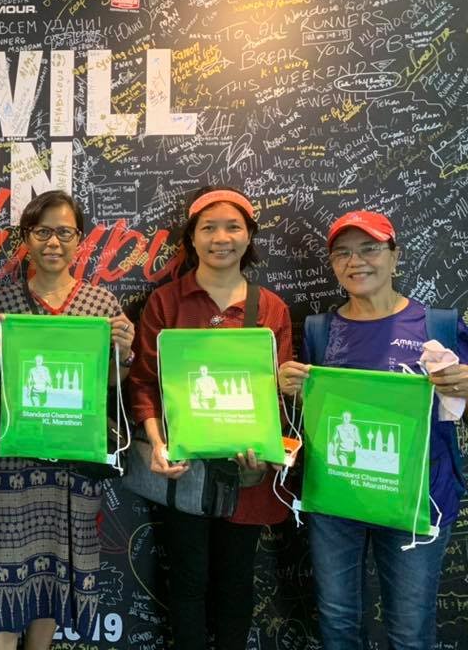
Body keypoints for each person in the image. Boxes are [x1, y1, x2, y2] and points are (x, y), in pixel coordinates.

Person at [278, 210, 468, 650]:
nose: (356, 261)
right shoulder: (320, 331)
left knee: (410, 631)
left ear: (394, 257)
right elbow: (314, 417)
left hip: (418, 500)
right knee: (338, 621)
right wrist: (290, 391)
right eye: (342, 253)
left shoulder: (437, 325)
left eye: (369, 249)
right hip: (338, 498)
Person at [127, 185, 293, 650]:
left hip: (246, 472)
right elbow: (144, 382)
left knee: (236, 582)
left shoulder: (270, 307)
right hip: (185, 469)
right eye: (209, 228)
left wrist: (267, 452)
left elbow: (276, 396)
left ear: (249, 235)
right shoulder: (167, 302)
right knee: (187, 578)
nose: (221, 238)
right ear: (192, 238)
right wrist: (157, 443)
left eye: (233, 227)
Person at [0, 190, 134, 649]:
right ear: (26, 238)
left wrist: (124, 351)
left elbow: (113, 383)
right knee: (5, 568)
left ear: (79, 240)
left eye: (64, 232)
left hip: (74, 464)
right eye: (42, 231)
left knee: (57, 564)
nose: (53, 242)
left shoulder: (102, 305)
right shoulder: (3, 301)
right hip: (13, 463)